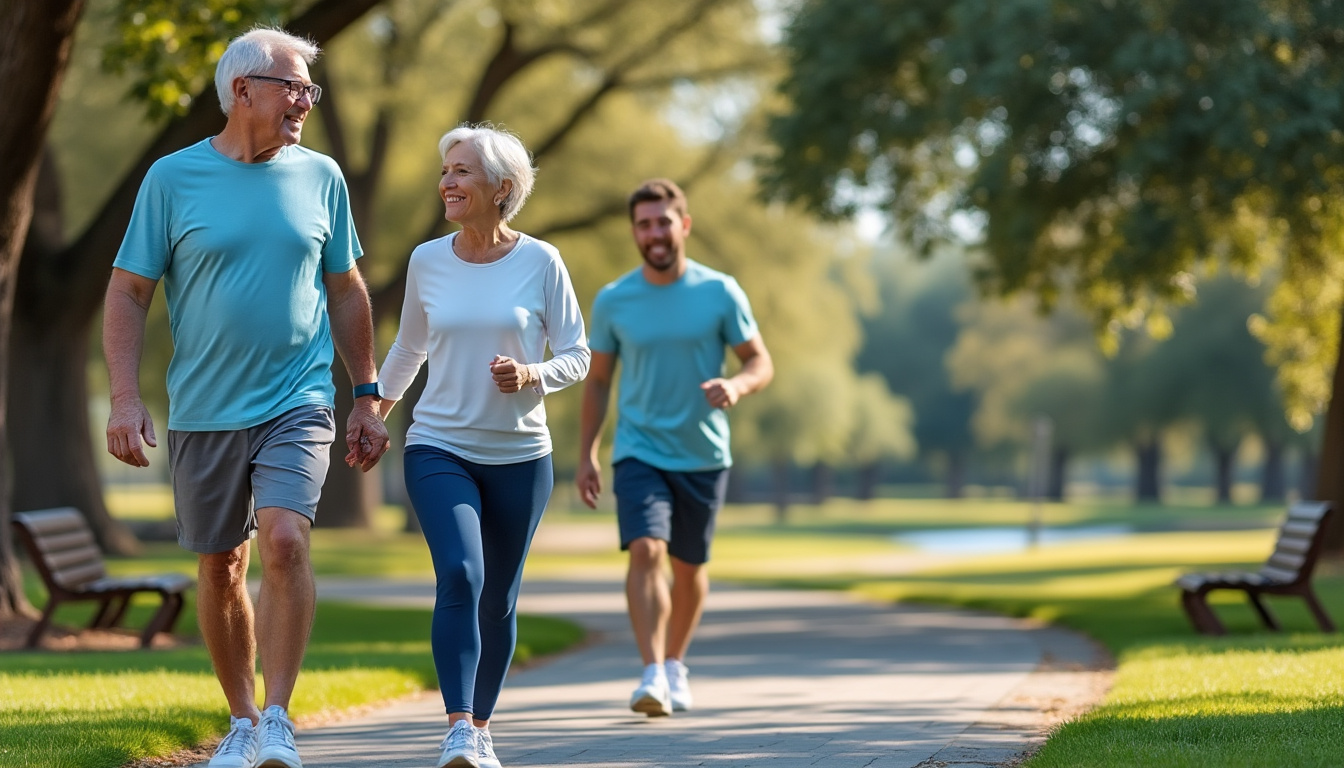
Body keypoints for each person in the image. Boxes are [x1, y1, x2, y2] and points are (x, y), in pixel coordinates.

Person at [102, 27, 389, 768]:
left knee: (287, 539)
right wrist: (125, 399)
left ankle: (280, 718)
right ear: (242, 90)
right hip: (202, 406)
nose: (305, 102)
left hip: (297, 396)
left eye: (310, 90)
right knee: (222, 563)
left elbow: (346, 287)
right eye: (294, 86)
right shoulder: (172, 178)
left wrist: (366, 393)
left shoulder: (321, 175)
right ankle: (240, 721)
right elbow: (130, 291)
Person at [376, 123, 589, 768]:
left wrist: (533, 375)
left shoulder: (542, 260)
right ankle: (458, 727)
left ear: (502, 187)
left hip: (522, 455)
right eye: (446, 171)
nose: (447, 182)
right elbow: (410, 347)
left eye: (462, 171)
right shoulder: (426, 260)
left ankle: (484, 725)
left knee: (499, 595)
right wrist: (372, 412)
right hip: (439, 444)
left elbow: (578, 354)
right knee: (462, 575)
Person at [576, 179, 774, 717]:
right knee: (646, 550)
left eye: (663, 221)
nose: (654, 233)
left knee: (689, 568)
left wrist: (736, 385)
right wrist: (588, 451)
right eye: (644, 224)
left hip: (704, 453)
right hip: (639, 448)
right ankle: (651, 673)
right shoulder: (615, 299)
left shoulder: (720, 292)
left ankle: (675, 663)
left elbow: (760, 360)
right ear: (634, 232)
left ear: (683, 224)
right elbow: (597, 382)